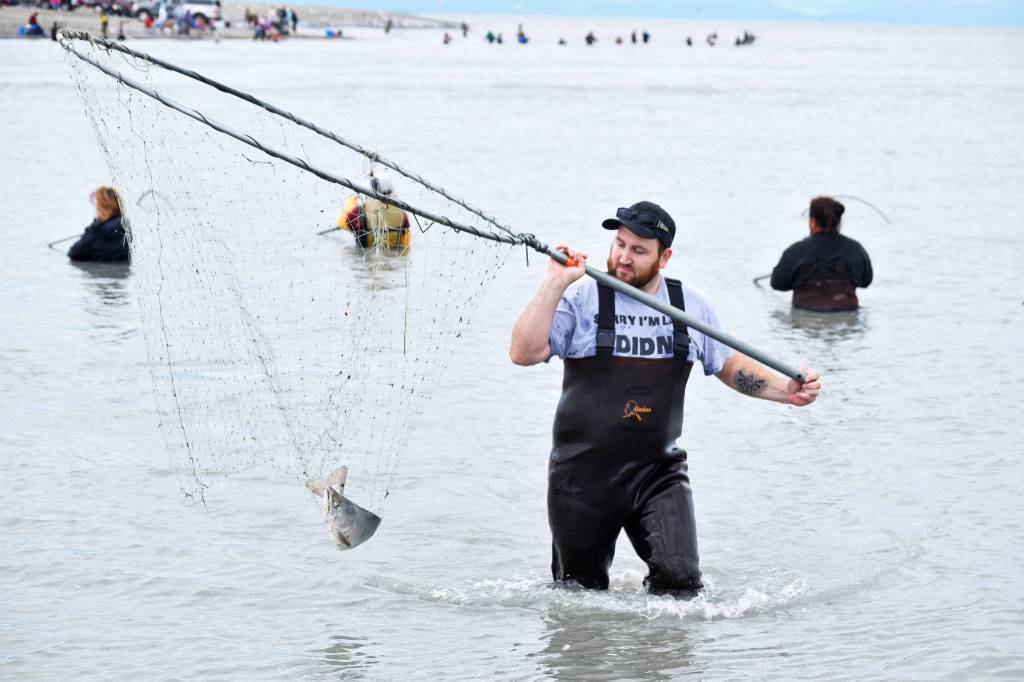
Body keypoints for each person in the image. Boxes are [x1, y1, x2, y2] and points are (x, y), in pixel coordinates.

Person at [509, 201, 821, 596]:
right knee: (578, 597)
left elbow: (728, 365)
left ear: (665, 256)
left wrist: (786, 392)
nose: (623, 258)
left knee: (682, 584)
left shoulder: (689, 306)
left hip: (657, 472)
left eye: (638, 250)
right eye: (619, 244)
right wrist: (555, 283)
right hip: (580, 477)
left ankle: (662, 657)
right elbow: (522, 352)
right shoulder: (583, 299)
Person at [770, 197, 873, 312]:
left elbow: (777, 283)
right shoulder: (856, 249)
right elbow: (866, 281)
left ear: (812, 222)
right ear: (838, 222)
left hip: (806, 317)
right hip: (847, 315)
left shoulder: (795, 251)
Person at [336, 175, 410, 251]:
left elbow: (341, 223)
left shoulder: (360, 211)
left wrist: (352, 202)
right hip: (393, 255)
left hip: (364, 256)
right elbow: (406, 242)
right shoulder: (402, 214)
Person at [68, 187, 130, 263]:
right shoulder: (126, 224)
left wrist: (94, 227)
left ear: (100, 206)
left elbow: (74, 253)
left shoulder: (98, 231)